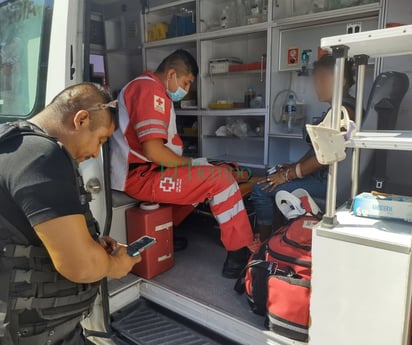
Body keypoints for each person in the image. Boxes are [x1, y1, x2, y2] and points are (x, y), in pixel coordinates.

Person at [0, 83, 141, 345]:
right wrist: (114, 265)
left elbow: (26, 234)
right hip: (32, 334)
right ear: (81, 119)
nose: (95, 153)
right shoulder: (40, 157)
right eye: (100, 140)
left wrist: (90, 243)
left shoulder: (16, 144)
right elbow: (81, 266)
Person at [110, 49, 254, 279]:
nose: (185, 90)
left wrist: (192, 164)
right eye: (186, 83)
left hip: (151, 170)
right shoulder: (149, 90)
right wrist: (189, 164)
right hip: (142, 175)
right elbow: (153, 150)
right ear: (171, 74)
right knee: (221, 179)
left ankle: (167, 231)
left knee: (219, 169)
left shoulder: (150, 89)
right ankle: (239, 253)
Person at [251, 55, 356, 240]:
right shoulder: (343, 108)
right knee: (272, 176)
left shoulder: (342, 112)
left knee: (261, 189)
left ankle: (264, 246)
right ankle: (278, 240)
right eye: (316, 80)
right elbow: (319, 149)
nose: (317, 85)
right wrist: (293, 166)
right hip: (326, 177)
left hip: (329, 182)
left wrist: (288, 175)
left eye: (323, 79)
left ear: (343, 81)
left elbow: (325, 158)